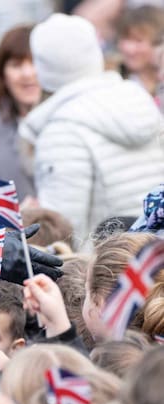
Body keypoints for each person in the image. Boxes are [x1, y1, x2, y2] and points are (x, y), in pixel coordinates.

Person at [19, 13, 164, 248]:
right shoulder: (137, 101)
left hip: (101, 271)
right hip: (151, 261)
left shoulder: (62, 130)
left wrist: (27, 218)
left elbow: (61, 231)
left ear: (42, 66)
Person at [0, 24, 42, 203]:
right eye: (16, 65)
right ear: (3, 74)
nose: (27, 73)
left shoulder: (68, 122)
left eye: (35, 63)